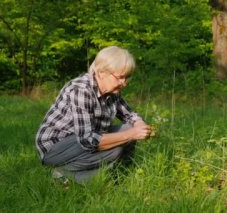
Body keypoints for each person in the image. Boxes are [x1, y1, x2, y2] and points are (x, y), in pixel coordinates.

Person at [35, 46, 152, 184]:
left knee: (128, 129)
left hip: (82, 141)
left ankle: (121, 175)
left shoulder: (112, 91)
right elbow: (87, 140)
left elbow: (130, 115)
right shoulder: (81, 90)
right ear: (102, 72)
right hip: (55, 146)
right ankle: (62, 174)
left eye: (127, 77)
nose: (124, 83)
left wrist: (140, 125)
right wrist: (131, 134)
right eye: (120, 77)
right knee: (115, 149)